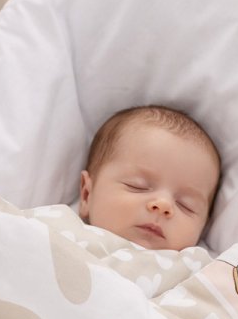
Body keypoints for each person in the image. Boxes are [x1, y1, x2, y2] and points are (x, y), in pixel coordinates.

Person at [78, 105, 221, 251]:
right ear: (87, 194)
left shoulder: (196, 262)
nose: (163, 204)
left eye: (186, 205)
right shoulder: (66, 232)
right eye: (137, 186)